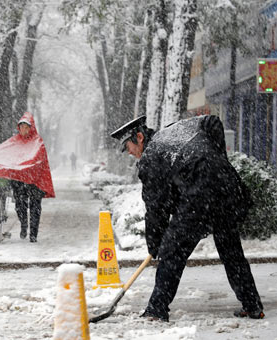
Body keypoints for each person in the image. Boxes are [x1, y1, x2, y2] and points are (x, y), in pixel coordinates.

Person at [110, 114, 264, 322]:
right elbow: (212, 122)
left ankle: (157, 310)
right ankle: (252, 305)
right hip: (228, 189)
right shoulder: (177, 130)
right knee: (230, 250)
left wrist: (156, 244)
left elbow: (156, 208)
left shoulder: (151, 156)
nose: (129, 153)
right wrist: (216, 160)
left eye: (128, 146)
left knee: (172, 253)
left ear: (139, 137)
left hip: (199, 199)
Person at [0, 112, 55, 243]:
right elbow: (3, 153)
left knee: (35, 208)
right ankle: (23, 224)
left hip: (35, 181)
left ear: (31, 128)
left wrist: (26, 167)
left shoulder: (37, 142)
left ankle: (33, 234)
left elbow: (39, 160)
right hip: (20, 180)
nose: (24, 129)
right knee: (19, 205)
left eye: (26, 127)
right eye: (21, 127)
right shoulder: (14, 142)